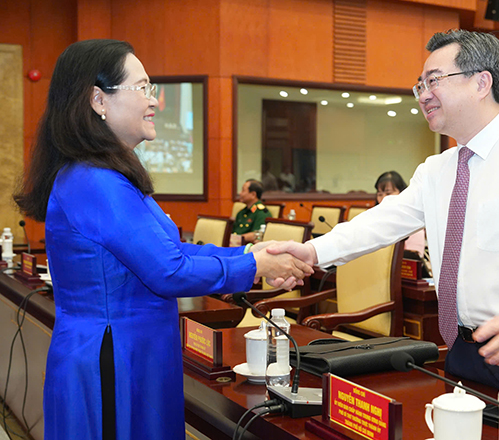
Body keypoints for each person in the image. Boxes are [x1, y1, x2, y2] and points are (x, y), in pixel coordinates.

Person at [270, 30, 499, 412]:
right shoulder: (437, 169)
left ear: (481, 83)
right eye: (420, 84)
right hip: (462, 349)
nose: (423, 94)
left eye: (434, 80)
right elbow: (381, 222)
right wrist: (311, 252)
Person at [12, 39, 313, 440]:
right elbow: (168, 270)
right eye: (142, 88)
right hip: (112, 361)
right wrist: (256, 265)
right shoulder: (96, 182)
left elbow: (167, 252)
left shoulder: (106, 175)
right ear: (98, 100)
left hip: (133, 353)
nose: (154, 100)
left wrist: (247, 252)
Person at [374, 171, 425, 257]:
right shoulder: (375, 220)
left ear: (402, 193)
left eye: (388, 193)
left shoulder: (414, 225)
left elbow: (413, 259)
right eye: (379, 194)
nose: (383, 199)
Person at [233, 179, 272, 243]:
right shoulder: (242, 212)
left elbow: (256, 235)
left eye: (243, 190)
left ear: (253, 194)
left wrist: (234, 240)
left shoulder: (261, 213)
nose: (240, 193)